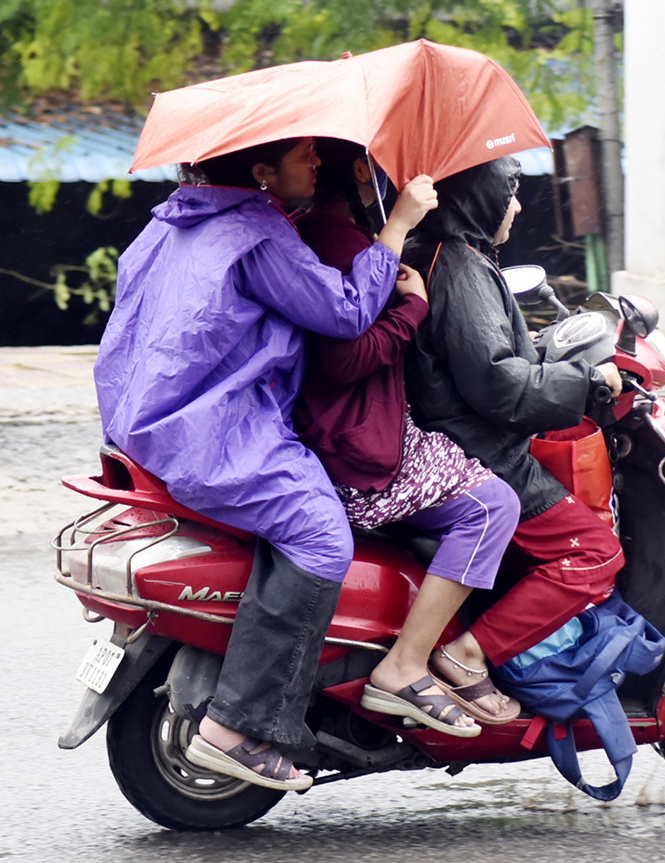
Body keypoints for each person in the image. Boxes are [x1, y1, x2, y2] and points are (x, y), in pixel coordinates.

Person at [94, 136, 436, 790]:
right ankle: (235, 728)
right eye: (302, 155)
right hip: (218, 437)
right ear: (260, 172)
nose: (314, 164)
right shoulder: (255, 231)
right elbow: (344, 313)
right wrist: (399, 225)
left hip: (139, 426)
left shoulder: (166, 222)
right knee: (320, 536)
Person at [293, 138, 521, 732]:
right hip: (358, 445)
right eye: (381, 172)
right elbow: (346, 358)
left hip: (344, 430)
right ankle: (408, 663)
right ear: (364, 176)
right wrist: (413, 307)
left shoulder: (317, 231)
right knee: (493, 506)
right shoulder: (339, 240)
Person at [402, 156, 627, 698]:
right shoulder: (457, 266)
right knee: (596, 553)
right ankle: (468, 653)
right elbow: (498, 384)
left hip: (463, 440)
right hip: (484, 453)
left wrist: (553, 359)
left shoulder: (445, 256)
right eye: (509, 190)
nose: (519, 205)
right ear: (480, 197)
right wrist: (587, 382)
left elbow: (492, 357)